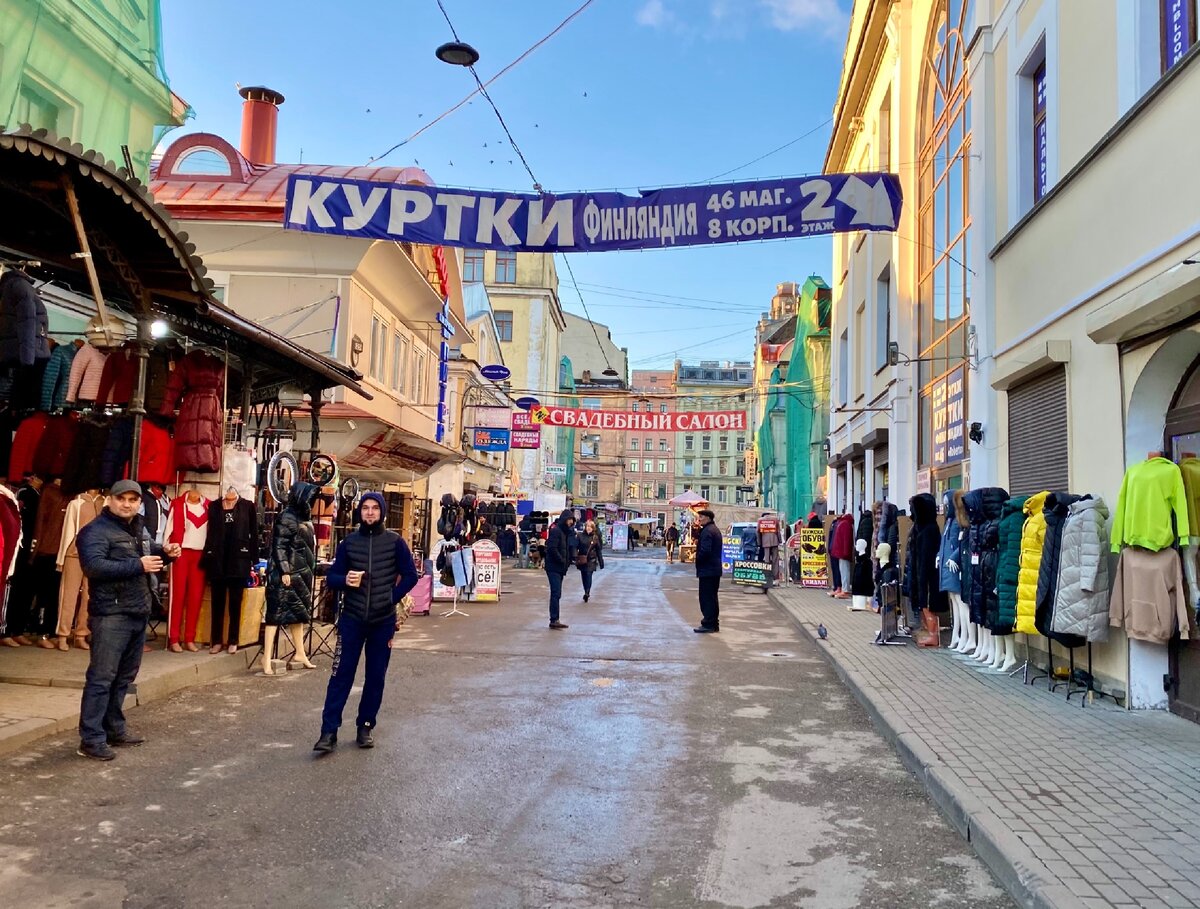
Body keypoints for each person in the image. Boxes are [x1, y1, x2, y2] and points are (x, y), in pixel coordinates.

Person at [75, 480, 180, 760]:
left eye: (133, 499)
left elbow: (145, 556)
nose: (127, 504)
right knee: (102, 677)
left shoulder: (138, 526)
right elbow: (94, 567)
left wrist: (164, 554)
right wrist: (139, 565)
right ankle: (91, 738)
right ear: (109, 499)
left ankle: (114, 728)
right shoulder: (94, 531)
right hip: (111, 614)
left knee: (124, 677)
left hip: (137, 610)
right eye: (122, 498)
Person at [314, 492, 419, 753]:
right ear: (359, 512)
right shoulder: (349, 542)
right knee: (340, 675)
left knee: (375, 677)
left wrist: (391, 597)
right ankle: (328, 732)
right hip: (352, 618)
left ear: (381, 512)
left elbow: (411, 575)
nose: (370, 512)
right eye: (365, 508)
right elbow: (332, 577)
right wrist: (344, 580)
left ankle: (366, 726)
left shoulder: (395, 542)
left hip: (382, 621)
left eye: (374, 508)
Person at [543, 509, 576, 629]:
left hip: (560, 568)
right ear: (564, 520)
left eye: (572, 520)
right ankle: (554, 619)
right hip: (553, 567)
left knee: (557, 593)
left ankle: (555, 618)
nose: (571, 522)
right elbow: (552, 548)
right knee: (556, 592)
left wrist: (568, 561)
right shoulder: (556, 531)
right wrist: (562, 559)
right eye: (569, 519)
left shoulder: (566, 533)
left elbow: (567, 549)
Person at [694, 509, 723, 634]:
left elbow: (705, 550)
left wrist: (698, 559)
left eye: (701, 517)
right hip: (714, 569)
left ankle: (708, 624)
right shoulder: (714, 529)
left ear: (708, 518)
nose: (699, 519)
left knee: (706, 598)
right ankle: (713, 624)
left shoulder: (707, 531)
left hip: (708, 569)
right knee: (712, 597)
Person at [576, 519, 604, 603]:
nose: (588, 528)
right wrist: (574, 556)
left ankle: (587, 592)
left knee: (588, 575)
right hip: (582, 560)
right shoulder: (580, 536)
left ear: (593, 528)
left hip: (591, 560)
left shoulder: (595, 538)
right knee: (584, 576)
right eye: (587, 526)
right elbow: (576, 547)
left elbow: (598, 550)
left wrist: (601, 561)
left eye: (590, 527)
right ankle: (586, 590)